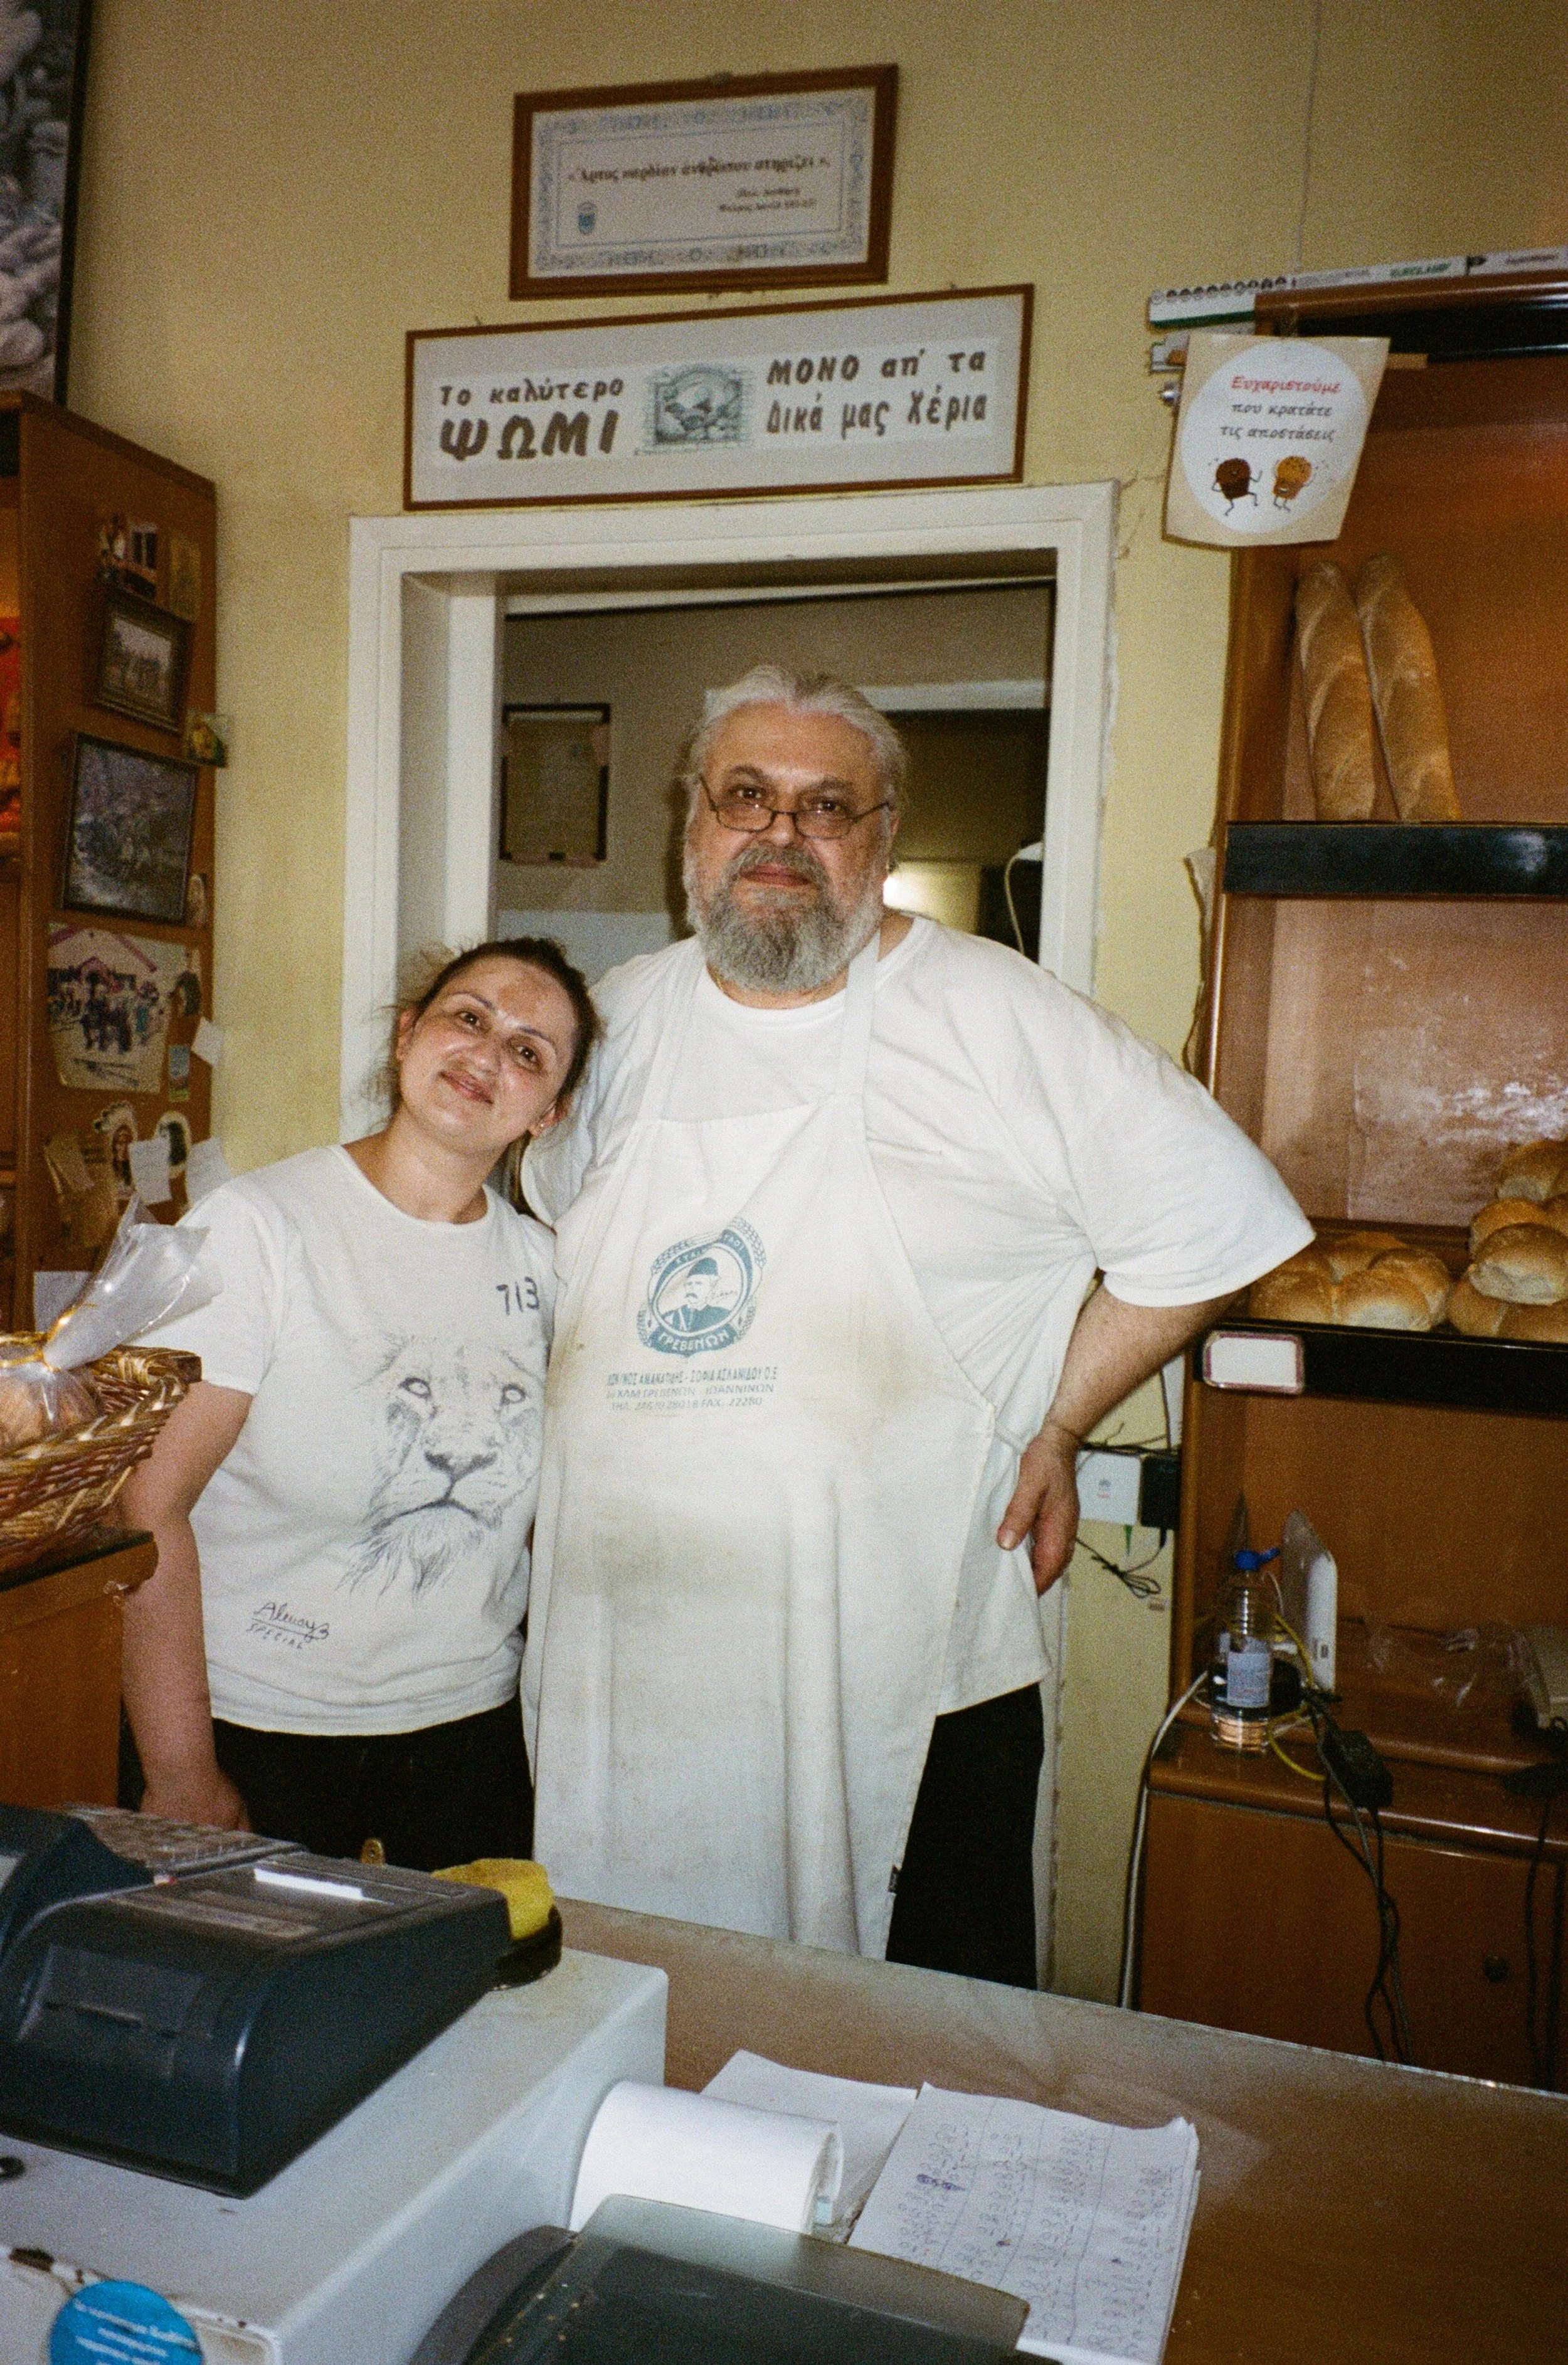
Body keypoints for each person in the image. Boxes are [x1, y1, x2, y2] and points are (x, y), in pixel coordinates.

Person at [521, 667, 1313, 1986]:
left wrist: (1059, 1422)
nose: (780, 834)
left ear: (882, 841)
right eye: (745, 797)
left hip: (898, 1675)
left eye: (827, 806)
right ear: (691, 827)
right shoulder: (621, 1015)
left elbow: (1223, 1225)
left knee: (890, 2047)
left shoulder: (995, 1014)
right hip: (626, 1665)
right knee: (626, 2003)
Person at [120, 938, 597, 1870]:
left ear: (548, 1113)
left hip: (468, 1740)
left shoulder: (550, 1270)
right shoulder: (259, 1228)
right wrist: (180, 1770)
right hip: (254, 1730)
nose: (487, 1054)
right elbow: (149, 1505)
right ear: (408, 1035)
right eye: (469, 1017)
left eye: (528, 1051)